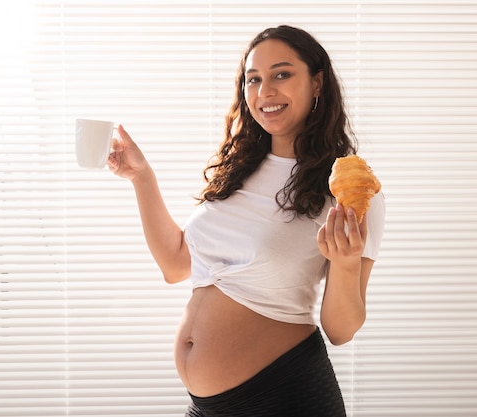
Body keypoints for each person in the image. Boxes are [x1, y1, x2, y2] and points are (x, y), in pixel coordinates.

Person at [107, 25, 385, 417]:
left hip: (284, 397)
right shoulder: (239, 171)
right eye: (253, 79)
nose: (265, 91)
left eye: (282, 74)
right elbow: (175, 264)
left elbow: (341, 330)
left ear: (317, 82)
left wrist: (345, 262)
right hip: (206, 407)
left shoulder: (346, 189)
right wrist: (142, 177)